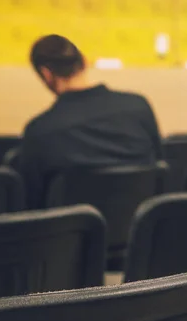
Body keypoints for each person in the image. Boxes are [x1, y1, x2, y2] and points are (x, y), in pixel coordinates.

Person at [18, 34, 163, 208]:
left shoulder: (39, 130)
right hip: (137, 232)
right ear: (84, 62)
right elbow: (158, 166)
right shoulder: (139, 106)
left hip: (72, 234)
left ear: (46, 74)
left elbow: (31, 205)